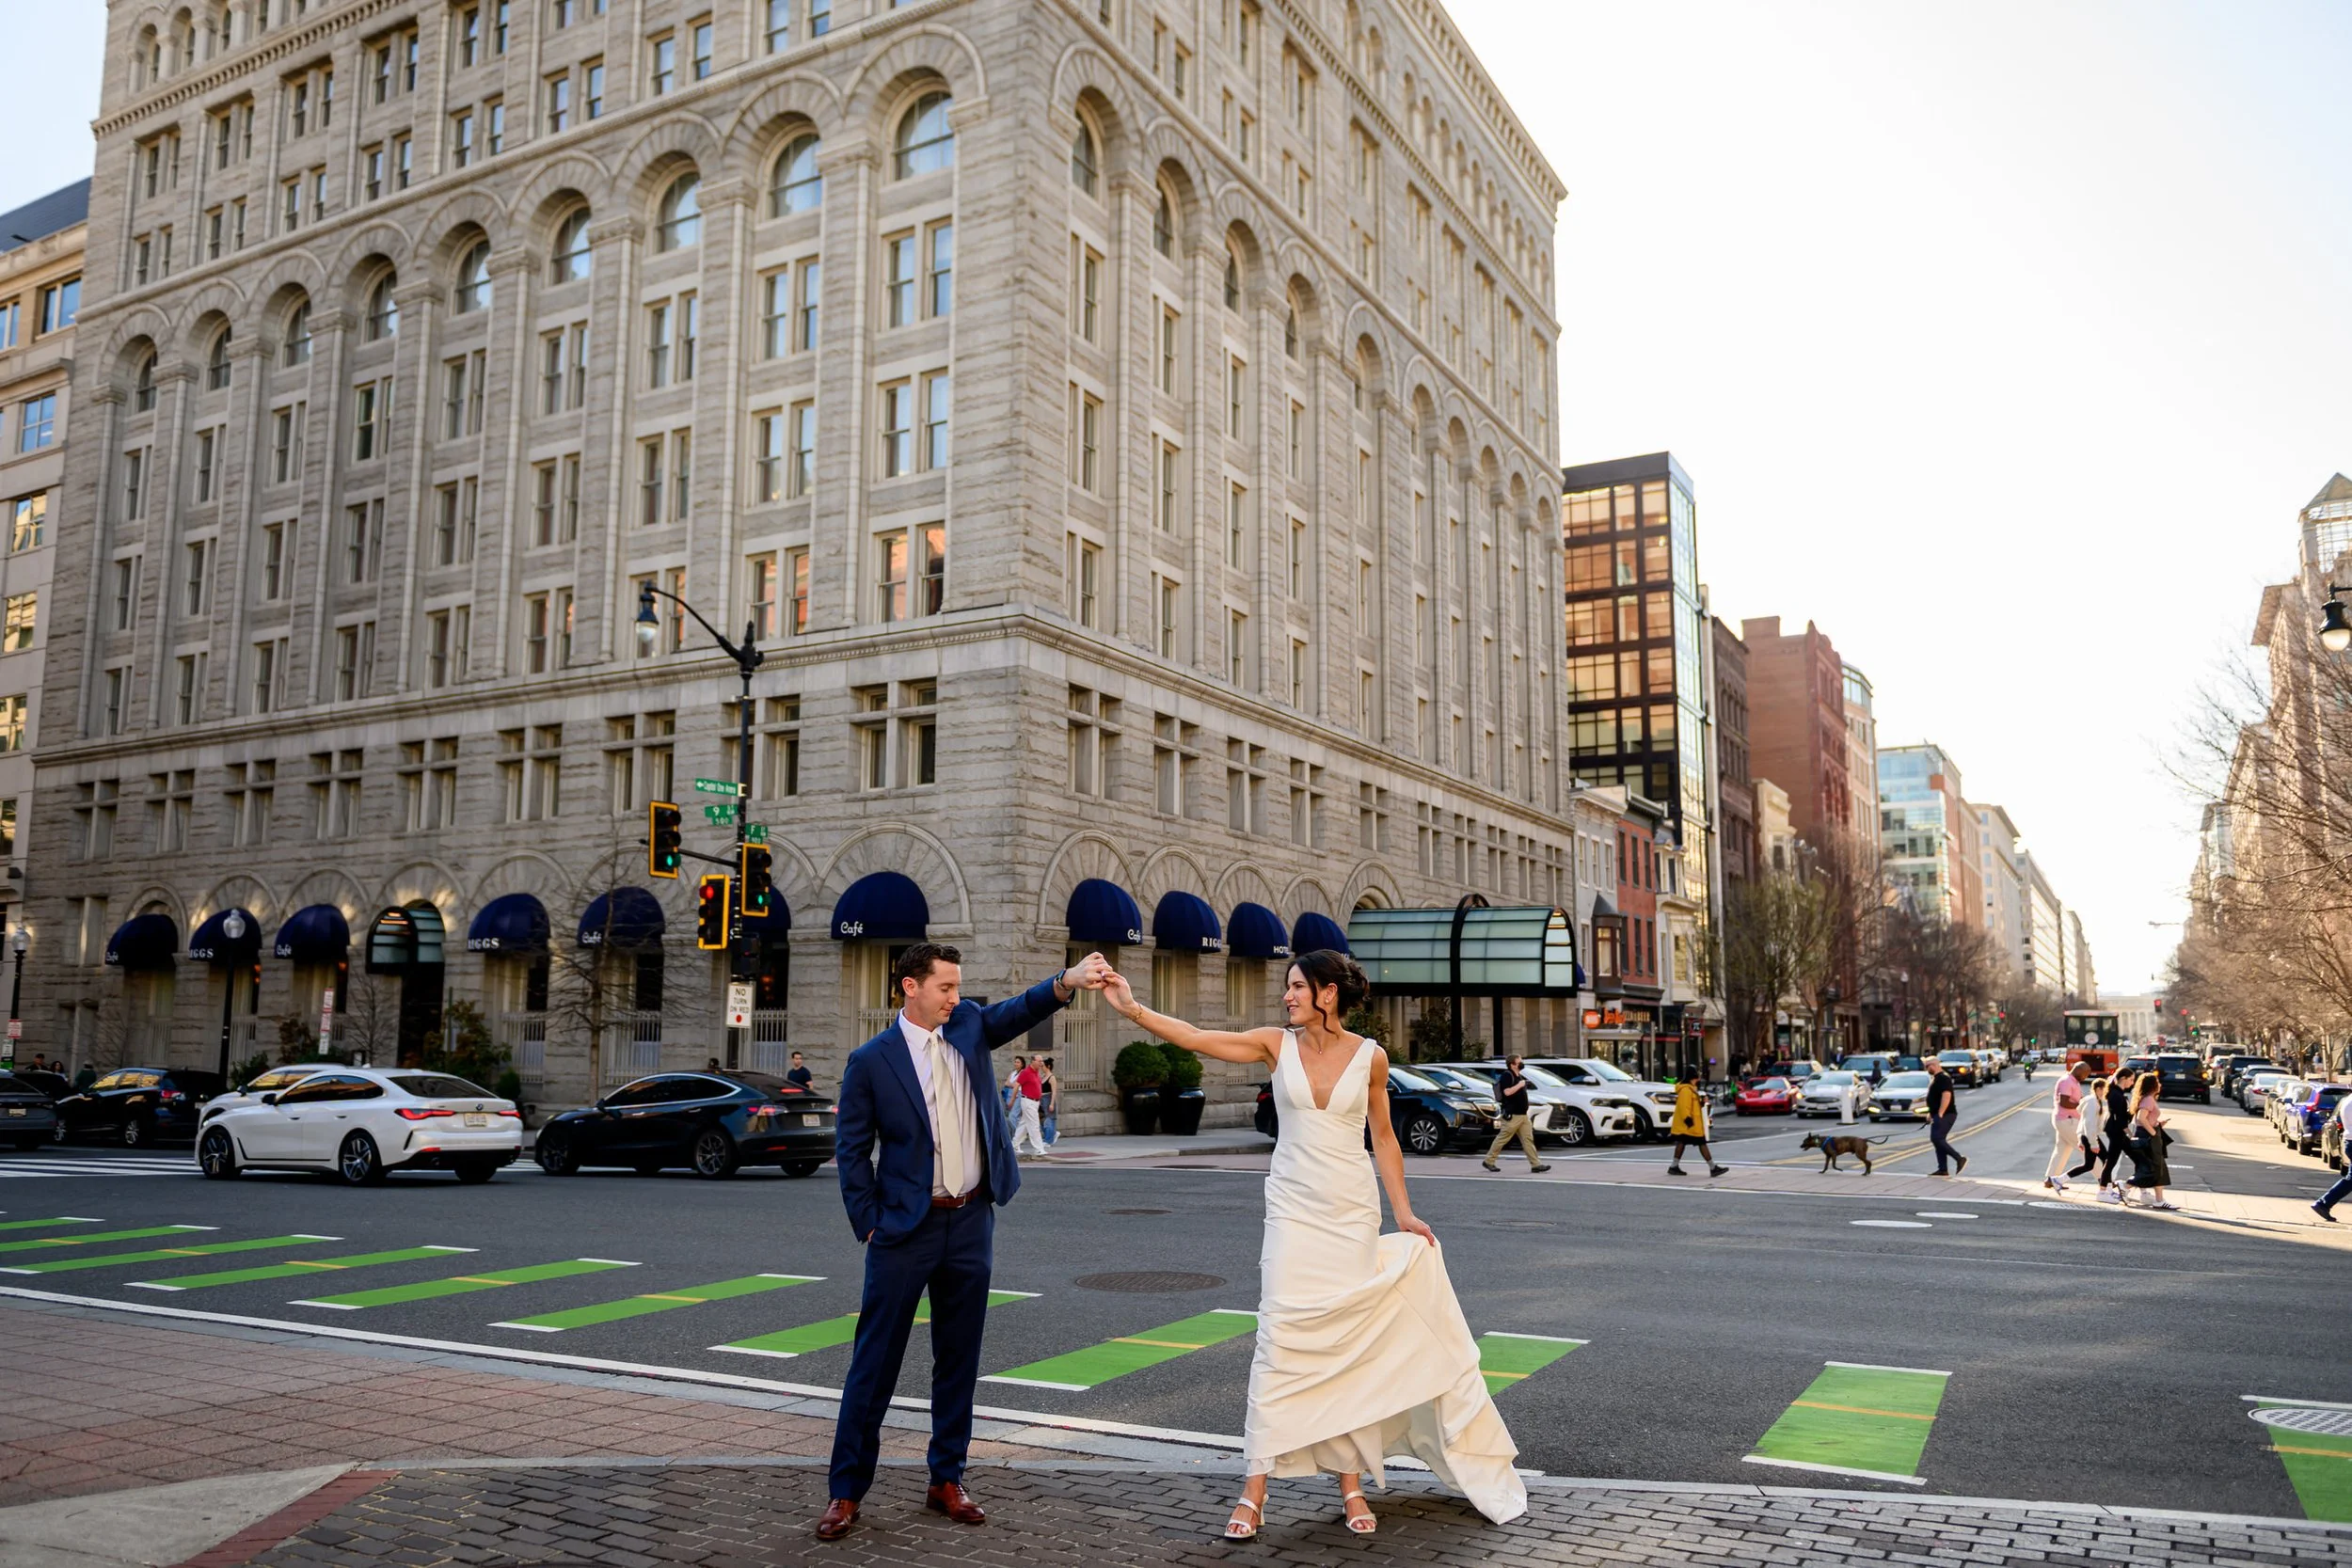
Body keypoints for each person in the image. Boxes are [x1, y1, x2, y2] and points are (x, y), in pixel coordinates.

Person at [1101, 950, 1525, 1538]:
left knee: (1344, 1348)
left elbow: (1384, 1137)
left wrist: (1403, 1213)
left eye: (1297, 987)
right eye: (1287, 987)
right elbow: (1198, 1036)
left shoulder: (1371, 1058)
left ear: (1328, 993)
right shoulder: (1275, 1044)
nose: (1287, 997)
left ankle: (1350, 1482)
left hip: (1351, 1213)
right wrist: (1132, 1009)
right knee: (1279, 1342)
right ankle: (1255, 1486)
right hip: (1294, 1211)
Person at [815, 943, 1113, 1542]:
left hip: (971, 1221)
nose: (957, 997)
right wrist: (869, 1219)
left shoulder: (971, 1025)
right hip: (904, 1230)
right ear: (909, 987)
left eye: (958, 987)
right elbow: (851, 1149)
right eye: (946, 988)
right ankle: (846, 1491)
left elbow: (1020, 1008)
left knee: (959, 1361)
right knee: (874, 1363)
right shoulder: (872, 1060)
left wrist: (1069, 980)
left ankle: (945, 1478)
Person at [1480, 1057, 1550, 1173]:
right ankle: (1489, 1161)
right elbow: (1506, 1092)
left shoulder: (1518, 1076)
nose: (1522, 1063)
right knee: (1502, 1139)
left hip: (1523, 1115)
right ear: (1512, 1064)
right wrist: (1520, 1085)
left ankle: (1536, 1164)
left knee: (1528, 1139)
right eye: (1519, 1062)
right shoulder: (1507, 1075)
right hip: (1513, 1115)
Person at [2124, 1069, 2177, 1210]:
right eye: (2157, 1082)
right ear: (2152, 1085)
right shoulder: (2148, 1099)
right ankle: (2124, 1186)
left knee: (2157, 1168)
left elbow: (2145, 1119)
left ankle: (2159, 1200)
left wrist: (2158, 1124)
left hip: (2148, 1134)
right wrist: (2153, 1132)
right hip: (2148, 1137)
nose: (2160, 1084)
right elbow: (2141, 1118)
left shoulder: (2147, 1098)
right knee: (2151, 1168)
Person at [1667, 1074, 1728, 1178]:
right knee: (1701, 1143)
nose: (1699, 1079)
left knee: (1682, 1142)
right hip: (1690, 1124)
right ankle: (1713, 1168)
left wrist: (1701, 1103)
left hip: (1688, 1124)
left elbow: (1692, 1106)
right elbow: (1683, 1106)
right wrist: (1688, 1120)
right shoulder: (1686, 1090)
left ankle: (1674, 1166)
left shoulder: (1691, 1089)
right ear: (1693, 1077)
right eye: (1698, 1076)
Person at [2043, 1061, 2084, 1193]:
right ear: (2078, 1070)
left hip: (2067, 1120)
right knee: (2087, 1149)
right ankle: (2103, 1180)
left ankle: (2051, 1179)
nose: (2085, 1077)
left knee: (2062, 1150)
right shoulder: (2066, 1081)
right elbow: (2064, 1102)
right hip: (2067, 1120)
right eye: (2085, 1074)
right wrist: (2081, 1106)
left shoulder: (2073, 1081)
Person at [2312, 1099, 2352, 1222]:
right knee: (2350, 1180)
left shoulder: (2347, 1100)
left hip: (2349, 1140)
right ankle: (2323, 1203)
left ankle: (2324, 1203)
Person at [2095, 1070, 2133, 1200]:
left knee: (2134, 1157)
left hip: (2116, 1130)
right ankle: (2103, 1191)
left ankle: (2108, 1189)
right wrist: (2129, 1132)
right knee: (2111, 1160)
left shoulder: (2118, 1093)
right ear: (2123, 1078)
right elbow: (2119, 1117)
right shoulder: (2116, 1094)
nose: (2132, 1082)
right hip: (2116, 1130)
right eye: (2131, 1079)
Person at [1926, 1058, 1966, 1177]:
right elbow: (1934, 1099)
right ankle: (1943, 1169)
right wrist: (1930, 1113)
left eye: (1928, 1066)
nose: (1927, 1069)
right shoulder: (1936, 1079)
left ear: (1934, 1065)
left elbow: (1946, 1096)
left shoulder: (1943, 1078)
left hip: (1946, 1114)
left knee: (1937, 1138)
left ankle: (1959, 1158)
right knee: (1937, 1140)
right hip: (1937, 1114)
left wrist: (1940, 1113)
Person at [1009, 1054, 1048, 1159]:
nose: (1041, 1063)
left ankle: (1014, 1144)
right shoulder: (1026, 1072)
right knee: (1034, 1125)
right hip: (1028, 1101)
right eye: (1039, 1061)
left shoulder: (1037, 1073)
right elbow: (1017, 1085)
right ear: (1033, 1061)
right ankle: (1039, 1148)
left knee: (1024, 1124)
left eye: (1042, 1061)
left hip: (1034, 1102)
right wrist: (1013, 1099)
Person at [2068, 1077, 2106, 1180]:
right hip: (2090, 1137)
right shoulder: (2092, 1102)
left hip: (2087, 1136)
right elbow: (2089, 1123)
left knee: (2089, 1165)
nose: (2106, 1092)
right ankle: (2107, 1185)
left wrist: (2081, 1140)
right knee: (2105, 1160)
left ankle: (2059, 1180)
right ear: (2099, 1089)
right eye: (2105, 1089)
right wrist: (2093, 1144)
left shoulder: (2095, 1101)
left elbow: (2083, 1121)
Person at [1038, 1058, 1058, 1146]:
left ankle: (1048, 1140)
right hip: (1041, 1099)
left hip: (1048, 1098)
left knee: (1049, 1120)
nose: (1042, 1067)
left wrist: (1052, 1103)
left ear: (1048, 1066)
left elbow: (1054, 1091)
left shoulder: (1052, 1077)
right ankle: (1051, 1134)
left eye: (1043, 1066)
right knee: (1041, 1119)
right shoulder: (1043, 1077)